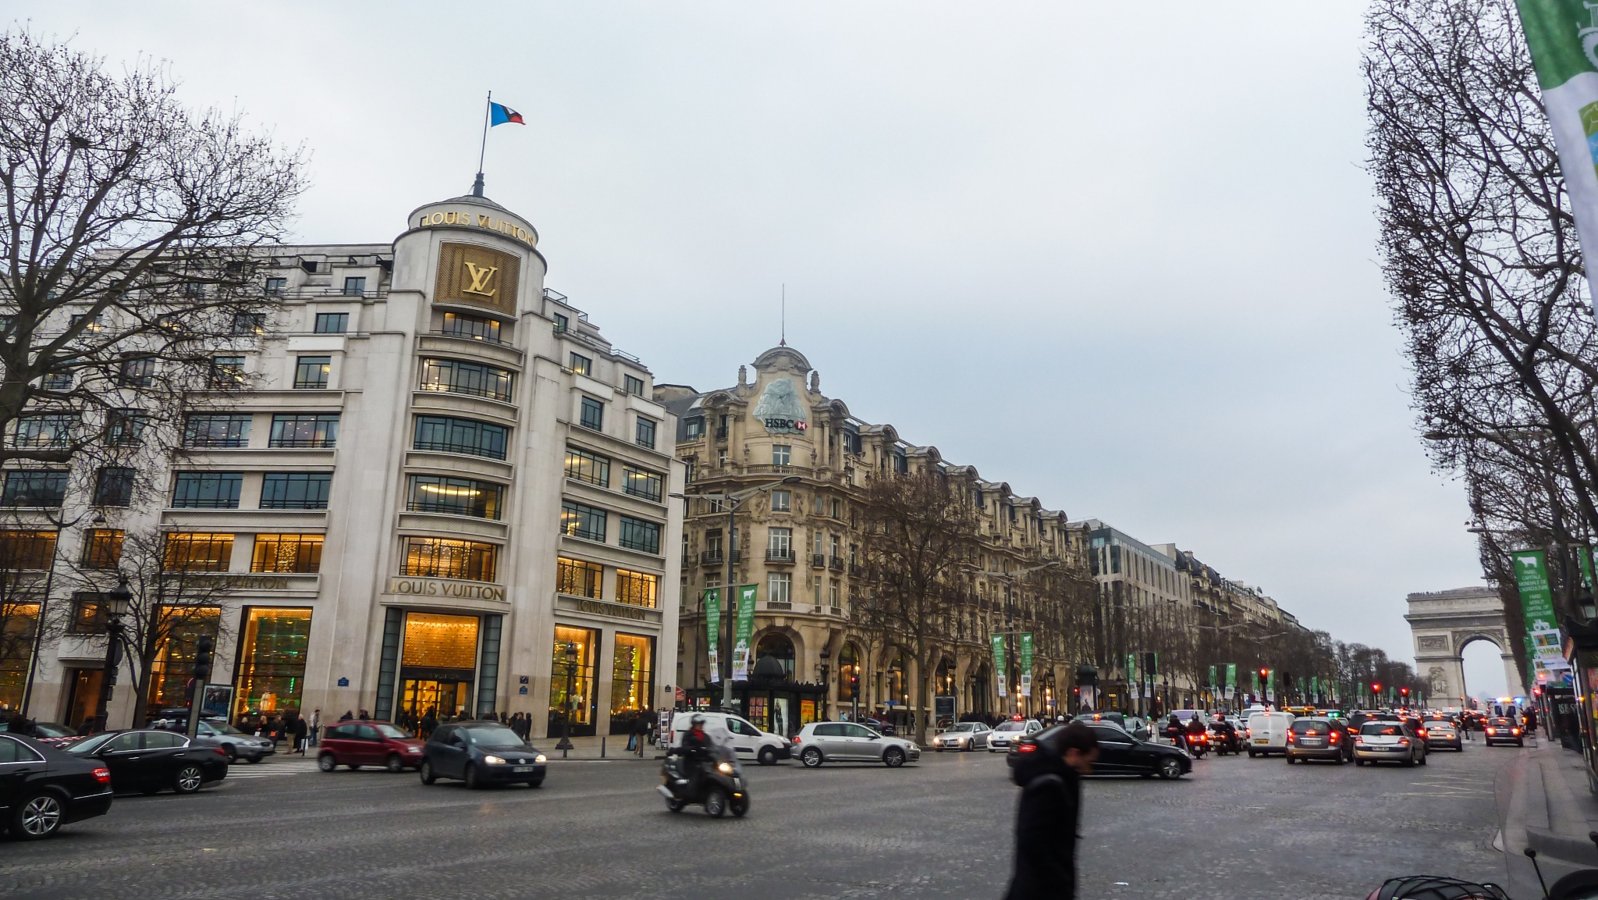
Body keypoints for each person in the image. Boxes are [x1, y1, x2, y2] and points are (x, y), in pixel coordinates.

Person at [1006, 720, 1098, 899]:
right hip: (1039, 890)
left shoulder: (1063, 778)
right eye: (1089, 761)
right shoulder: (1050, 785)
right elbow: (1033, 842)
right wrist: (1060, 881)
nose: (1091, 768)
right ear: (1074, 753)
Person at [671, 714, 716, 798]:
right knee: (696, 774)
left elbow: (711, 746)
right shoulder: (688, 735)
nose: (700, 726)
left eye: (701, 724)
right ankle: (690, 794)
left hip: (703, 761)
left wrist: (714, 752)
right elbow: (685, 746)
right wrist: (691, 749)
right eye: (698, 724)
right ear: (694, 724)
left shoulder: (706, 736)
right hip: (691, 761)